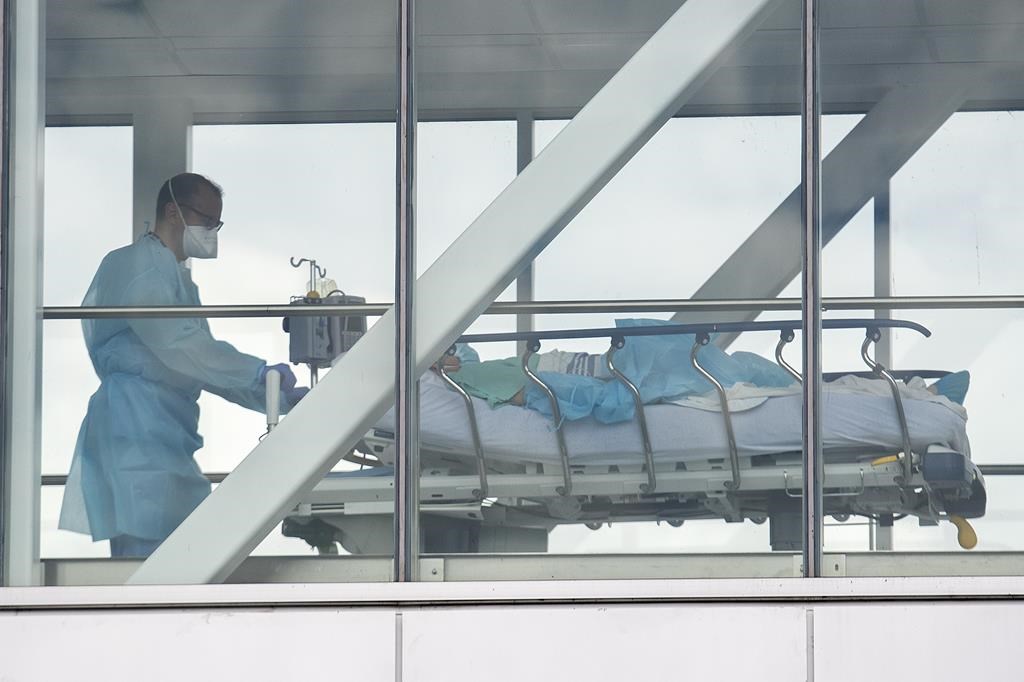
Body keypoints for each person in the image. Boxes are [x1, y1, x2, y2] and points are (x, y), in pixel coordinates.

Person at [59, 173, 308, 557]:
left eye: (216, 224)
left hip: (166, 433)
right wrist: (257, 370)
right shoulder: (137, 264)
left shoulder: (178, 279)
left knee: (182, 556)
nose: (211, 232)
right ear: (173, 211)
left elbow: (201, 364)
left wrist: (274, 395)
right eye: (207, 221)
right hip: (135, 426)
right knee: (146, 562)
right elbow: (178, 344)